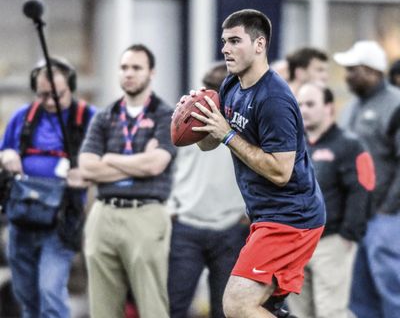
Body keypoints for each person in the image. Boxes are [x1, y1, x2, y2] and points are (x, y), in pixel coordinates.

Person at [182, 9, 326, 318]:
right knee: (260, 307)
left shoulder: (274, 99)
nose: (225, 49)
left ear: (259, 45)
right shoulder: (231, 85)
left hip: (291, 218)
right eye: (224, 41)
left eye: (235, 41)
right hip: (266, 215)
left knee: (237, 305)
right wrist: (197, 118)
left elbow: (281, 171)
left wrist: (228, 134)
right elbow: (210, 142)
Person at [79, 44, 176, 318]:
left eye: (136, 68)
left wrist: (108, 159)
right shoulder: (105, 116)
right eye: (124, 67)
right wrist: (137, 165)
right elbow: (87, 168)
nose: (129, 74)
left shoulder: (165, 115)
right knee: (102, 309)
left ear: (151, 73)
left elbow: (156, 164)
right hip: (103, 214)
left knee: (152, 306)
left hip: (145, 213)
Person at [0, 57, 95, 318]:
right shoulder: (24, 116)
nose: (49, 101)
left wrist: (86, 172)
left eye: (56, 95)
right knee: (26, 297)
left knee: (50, 293)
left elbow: (107, 160)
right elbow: (3, 150)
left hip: (61, 222)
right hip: (22, 219)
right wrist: (7, 155)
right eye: (42, 95)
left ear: (72, 86)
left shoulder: (87, 118)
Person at [168, 61, 248, 318]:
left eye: (220, 88)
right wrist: (171, 208)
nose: (213, 94)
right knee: (174, 305)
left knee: (224, 309)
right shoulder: (184, 120)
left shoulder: (242, 122)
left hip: (230, 226)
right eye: (210, 88)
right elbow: (166, 166)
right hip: (187, 224)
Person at [287, 82, 375, 318]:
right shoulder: (293, 143)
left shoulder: (349, 144)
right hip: (296, 243)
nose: (303, 109)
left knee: (330, 312)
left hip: (331, 241)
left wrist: (349, 234)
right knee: (299, 313)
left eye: (310, 104)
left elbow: (363, 187)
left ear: (329, 108)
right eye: (300, 104)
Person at [334, 40, 400, 318]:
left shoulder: (395, 103)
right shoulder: (350, 107)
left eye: (353, 69)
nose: (347, 75)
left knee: (392, 290)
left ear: (373, 71)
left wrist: (388, 209)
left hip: (386, 216)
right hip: (357, 217)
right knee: (359, 296)